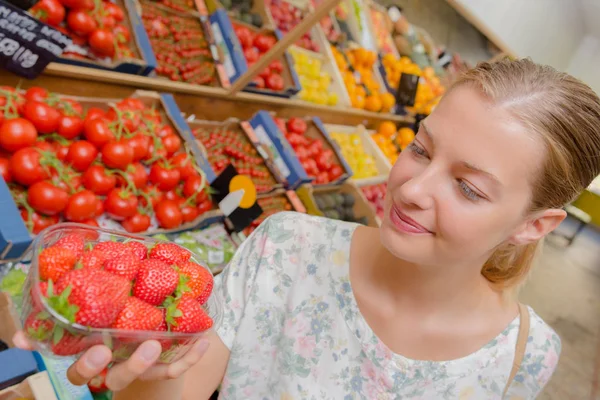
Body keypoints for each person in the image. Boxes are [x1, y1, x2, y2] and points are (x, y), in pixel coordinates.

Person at [14, 58, 600, 399]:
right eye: (420, 149)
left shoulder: (526, 355)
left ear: (535, 225)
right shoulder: (286, 246)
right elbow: (175, 391)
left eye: (469, 188)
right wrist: (140, 369)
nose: (414, 188)